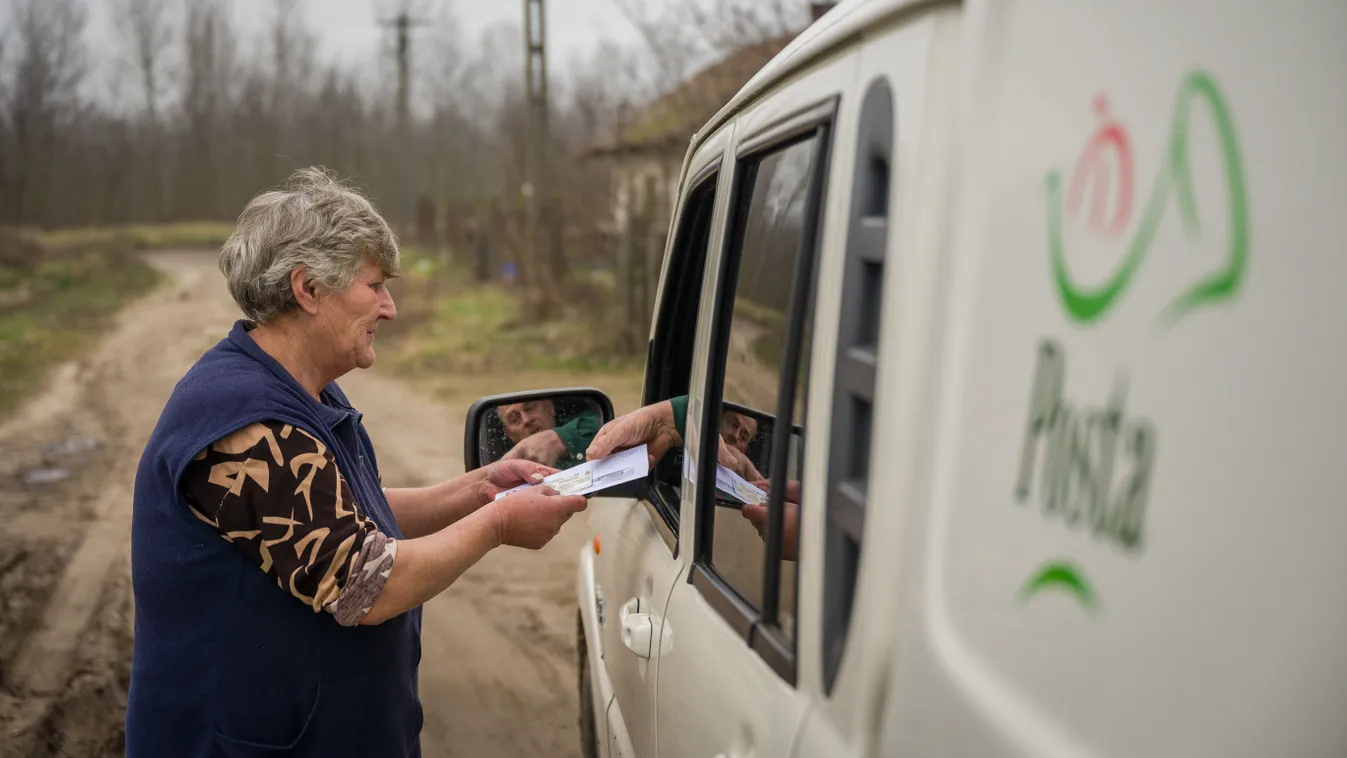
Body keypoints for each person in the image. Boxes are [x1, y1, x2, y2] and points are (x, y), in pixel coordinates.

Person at [128, 168, 587, 757]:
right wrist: (498, 524)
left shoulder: (305, 390)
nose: (390, 308)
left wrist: (478, 489)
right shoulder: (243, 422)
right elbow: (364, 584)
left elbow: (342, 515)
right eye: (374, 286)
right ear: (308, 289)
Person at [585, 396, 798, 560]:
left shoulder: (746, 484)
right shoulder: (675, 462)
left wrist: (746, 469)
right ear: (716, 421)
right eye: (733, 424)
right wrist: (669, 425)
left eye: (743, 436)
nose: (735, 435)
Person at [498, 398, 599, 469]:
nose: (526, 420)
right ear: (510, 435)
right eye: (515, 419)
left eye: (529, 408)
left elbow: (608, 426)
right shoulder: (516, 476)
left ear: (550, 407)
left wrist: (559, 438)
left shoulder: (588, 421)